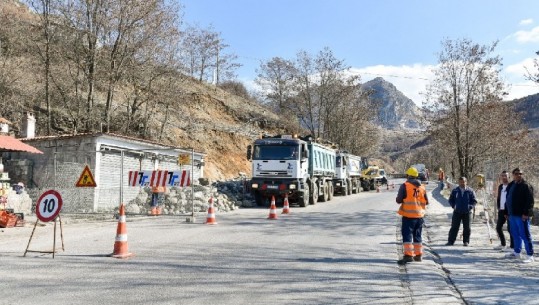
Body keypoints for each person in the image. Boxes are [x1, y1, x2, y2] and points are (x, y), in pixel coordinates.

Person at [396, 167, 429, 265]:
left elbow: (398, 200)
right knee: (417, 235)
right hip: (419, 216)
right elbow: (426, 202)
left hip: (408, 216)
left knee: (407, 236)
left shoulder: (405, 186)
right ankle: (418, 256)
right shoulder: (422, 187)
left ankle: (408, 256)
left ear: (408, 176)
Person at [504, 168, 535, 263]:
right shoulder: (511, 185)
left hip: (522, 215)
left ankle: (530, 255)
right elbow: (508, 199)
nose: (518, 175)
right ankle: (517, 252)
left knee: (525, 234)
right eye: (516, 173)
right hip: (512, 214)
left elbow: (530, 201)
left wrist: (526, 213)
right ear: (513, 175)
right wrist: (506, 212)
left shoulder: (526, 186)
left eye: (520, 173)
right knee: (515, 234)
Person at [446, 177, 477, 246]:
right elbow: (451, 199)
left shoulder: (470, 191)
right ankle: (451, 241)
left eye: (463, 182)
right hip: (457, 212)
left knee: (467, 227)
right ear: (458, 182)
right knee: (454, 227)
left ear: (466, 182)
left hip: (467, 212)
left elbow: (474, 201)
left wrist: (470, 207)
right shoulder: (455, 191)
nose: (462, 183)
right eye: (460, 182)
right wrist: (454, 206)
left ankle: (466, 241)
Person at [495, 171, 513, 251]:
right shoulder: (500, 187)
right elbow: (498, 198)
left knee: (510, 229)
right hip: (501, 210)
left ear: (509, 177)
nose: (504, 177)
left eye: (505, 176)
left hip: (509, 211)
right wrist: (499, 207)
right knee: (498, 227)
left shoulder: (511, 186)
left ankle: (512, 246)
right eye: (502, 176)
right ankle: (503, 244)